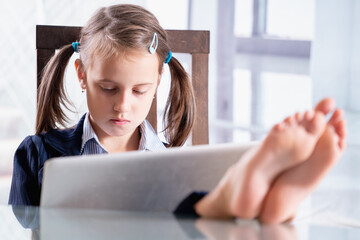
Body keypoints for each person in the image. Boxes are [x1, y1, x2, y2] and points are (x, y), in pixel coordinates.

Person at [8, 4, 346, 224]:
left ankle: (273, 205)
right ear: (82, 75)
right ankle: (241, 195)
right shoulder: (37, 153)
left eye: (140, 91)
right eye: (108, 88)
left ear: (158, 82)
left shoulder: (171, 164)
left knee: (200, 216)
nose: (123, 105)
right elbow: (23, 228)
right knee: (201, 212)